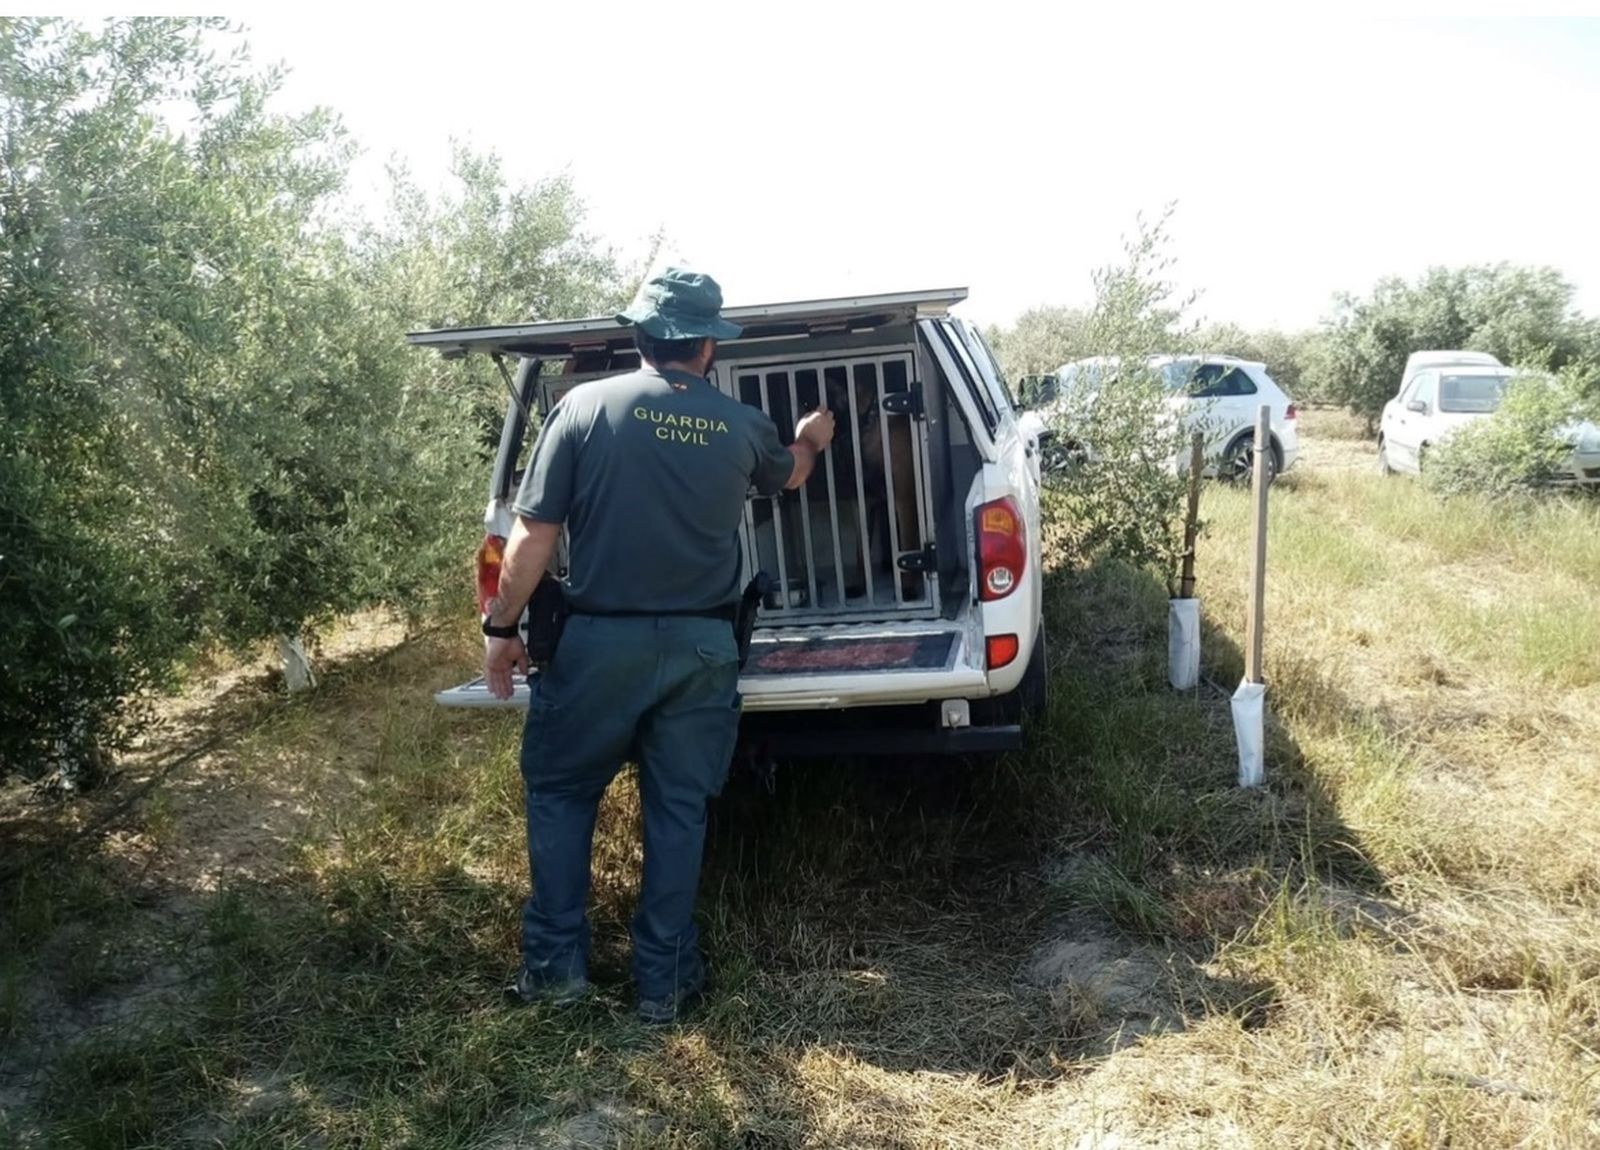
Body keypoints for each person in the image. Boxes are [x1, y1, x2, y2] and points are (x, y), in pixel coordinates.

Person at [480, 267, 836, 1024]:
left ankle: (554, 975)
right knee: (678, 809)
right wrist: (810, 436)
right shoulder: (741, 425)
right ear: (708, 347)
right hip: (703, 647)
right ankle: (665, 986)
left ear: (639, 336)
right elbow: (793, 476)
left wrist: (501, 628)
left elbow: (532, 537)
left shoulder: (581, 409)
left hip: (597, 645)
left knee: (561, 795)